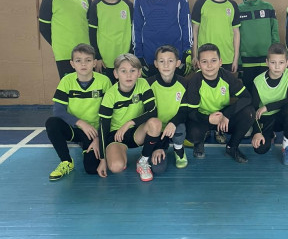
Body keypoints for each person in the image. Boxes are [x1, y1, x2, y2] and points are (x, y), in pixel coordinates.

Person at [45, 44, 112, 181]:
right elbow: (58, 110)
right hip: (74, 128)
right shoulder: (66, 81)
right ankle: (66, 161)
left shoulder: (104, 81)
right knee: (52, 123)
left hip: (94, 132)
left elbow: (109, 113)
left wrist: (99, 137)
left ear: (94, 63)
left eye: (88, 60)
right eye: (78, 60)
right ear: (72, 64)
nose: (83, 64)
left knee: (92, 169)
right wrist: (80, 123)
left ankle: (89, 148)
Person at [97, 54, 162, 182]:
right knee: (116, 167)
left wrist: (128, 124)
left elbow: (152, 111)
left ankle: (143, 161)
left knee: (155, 123)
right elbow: (103, 129)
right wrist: (102, 159)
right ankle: (120, 155)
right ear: (116, 74)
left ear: (139, 73)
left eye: (132, 70)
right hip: (117, 135)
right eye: (123, 71)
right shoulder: (110, 95)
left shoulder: (142, 84)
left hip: (136, 132)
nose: (128, 75)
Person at [186, 43, 254, 163]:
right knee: (193, 133)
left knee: (249, 112)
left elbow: (247, 97)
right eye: (204, 61)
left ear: (220, 62)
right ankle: (199, 142)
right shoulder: (195, 81)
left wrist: (227, 114)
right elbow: (190, 112)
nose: (209, 65)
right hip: (203, 117)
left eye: (213, 60)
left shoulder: (227, 76)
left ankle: (232, 147)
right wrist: (208, 119)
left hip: (223, 117)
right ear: (198, 64)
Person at [133, 0, 192, 78]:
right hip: (149, 57)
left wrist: (187, 51)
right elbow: (136, 28)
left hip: (175, 57)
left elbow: (186, 24)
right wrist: (138, 56)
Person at [39, 0, 92, 78]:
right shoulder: (49, 0)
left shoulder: (87, 0)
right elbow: (44, 28)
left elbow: (91, 28)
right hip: (64, 54)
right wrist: (58, 44)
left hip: (86, 53)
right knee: (69, 85)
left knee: (88, 84)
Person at [250, 43, 288, 165]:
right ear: (267, 62)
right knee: (260, 149)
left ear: (287, 63)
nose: (277, 66)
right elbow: (253, 109)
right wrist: (257, 132)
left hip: (282, 115)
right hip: (266, 119)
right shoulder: (258, 81)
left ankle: (287, 146)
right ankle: (270, 134)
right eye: (273, 62)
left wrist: (268, 107)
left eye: (281, 62)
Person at [147, 45, 189, 174]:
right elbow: (147, 114)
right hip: (155, 130)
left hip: (175, 126)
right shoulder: (148, 84)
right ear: (156, 64)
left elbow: (185, 111)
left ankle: (179, 148)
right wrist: (158, 146)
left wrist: (173, 123)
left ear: (178, 63)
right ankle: (158, 147)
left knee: (180, 127)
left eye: (170, 61)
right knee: (158, 169)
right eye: (161, 61)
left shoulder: (185, 83)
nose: (166, 65)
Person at [191, 0, 241, 73]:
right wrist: (194, 55)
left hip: (226, 57)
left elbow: (236, 33)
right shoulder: (200, 3)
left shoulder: (232, 5)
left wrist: (236, 59)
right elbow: (194, 31)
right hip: (205, 58)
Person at [88, 0, 133, 81]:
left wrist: (131, 55)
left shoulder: (128, 5)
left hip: (125, 60)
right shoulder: (96, 5)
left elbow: (134, 33)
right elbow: (92, 34)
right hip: (104, 62)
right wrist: (97, 57)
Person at [238, 0, 279, 92]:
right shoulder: (238, 9)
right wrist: (238, 60)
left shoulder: (268, 7)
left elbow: (274, 33)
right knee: (250, 93)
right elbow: (235, 36)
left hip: (266, 60)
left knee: (266, 92)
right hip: (247, 61)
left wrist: (275, 56)